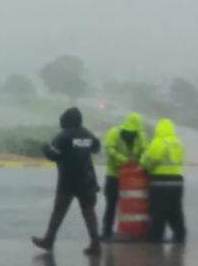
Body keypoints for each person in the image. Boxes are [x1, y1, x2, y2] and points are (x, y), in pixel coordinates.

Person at [32, 107, 102, 256]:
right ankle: (96, 244)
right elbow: (96, 147)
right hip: (87, 179)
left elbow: (53, 155)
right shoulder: (87, 134)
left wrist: (44, 147)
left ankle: (48, 241)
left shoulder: (63, 136)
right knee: (89, 212)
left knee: (58, 211)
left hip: (68, 181)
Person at [101, 112, 148, 240]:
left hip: (132, 178)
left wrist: (141, 163)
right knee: (111, 203)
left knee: (133, 204)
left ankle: (134, 230)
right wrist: (123, 160)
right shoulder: (114, 133)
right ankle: (106, 232)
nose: (132, 134)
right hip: (114, 175)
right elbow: (109, 149)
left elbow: (145, 151)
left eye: (134, 132)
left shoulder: (141, 136)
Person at [140, 118, 186, 243]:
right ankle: (180, 235)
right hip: (177, 181)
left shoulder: (158, 142)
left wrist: (144, 165)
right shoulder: (178, 143)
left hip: (160, 182)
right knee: (175, 210)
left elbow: (148, 161)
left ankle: (155, 237)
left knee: (158, 210)